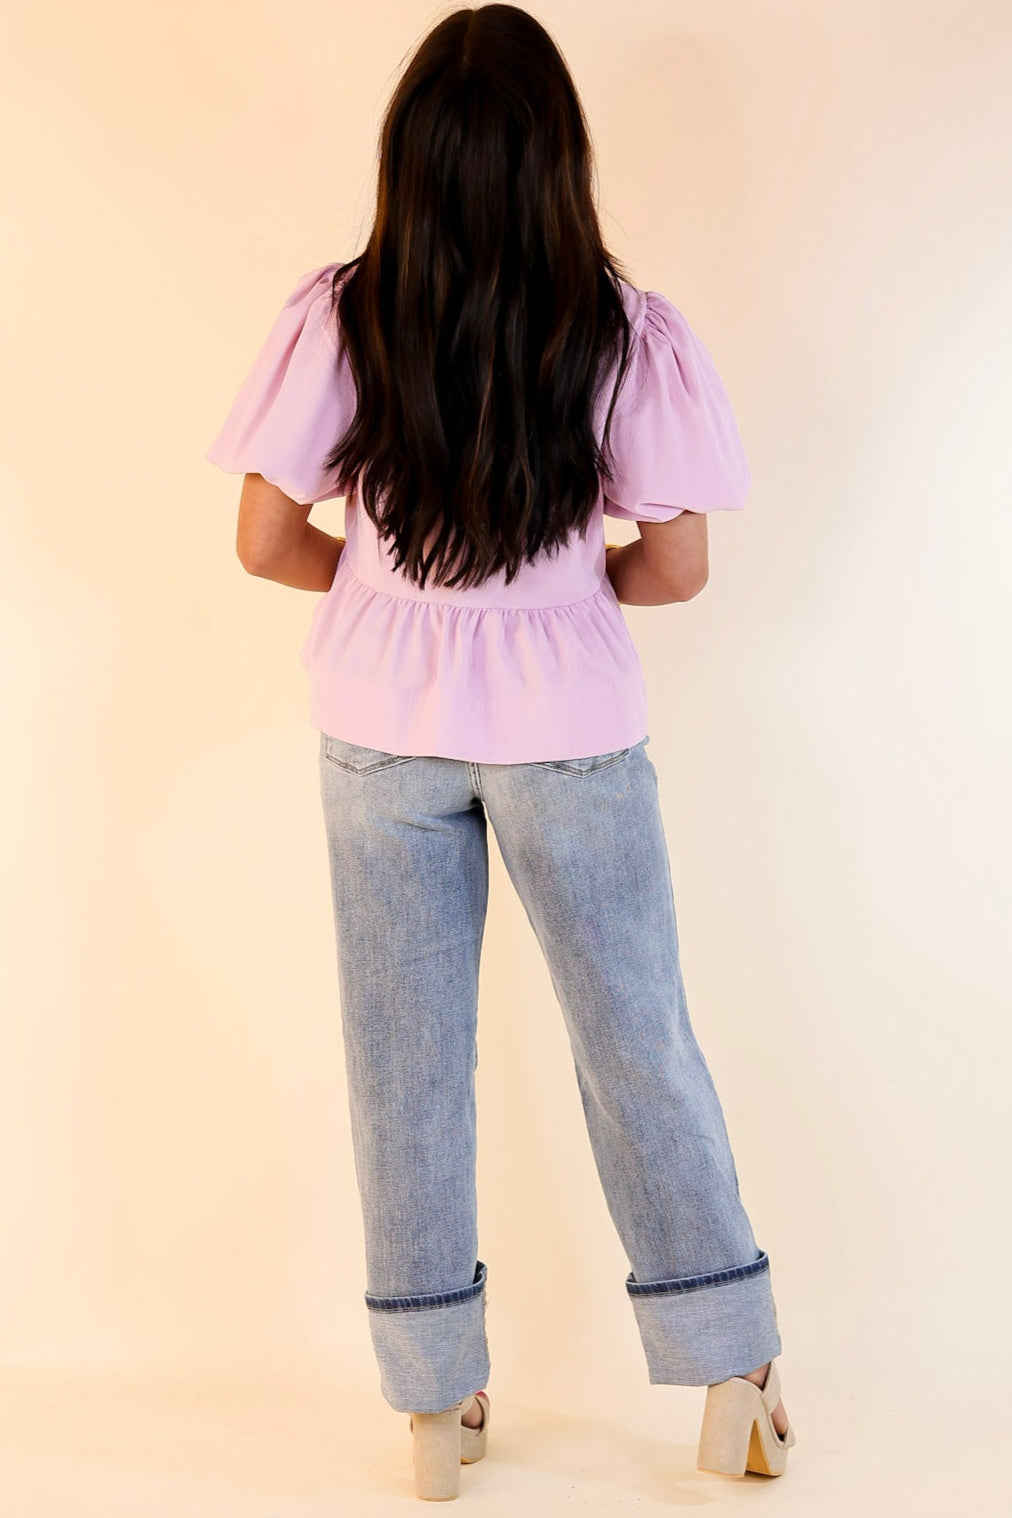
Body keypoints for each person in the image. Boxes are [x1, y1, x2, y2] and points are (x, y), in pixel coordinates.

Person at [206, 3, 795, 1501]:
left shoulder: (344, 317)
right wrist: (548, 597)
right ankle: (731, 1375)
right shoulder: (617, 334)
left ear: (409, 162)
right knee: (639, 1041)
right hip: (571, 736)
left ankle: (433, 1401)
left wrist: (395, 594)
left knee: (402, 1066)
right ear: (558, 167)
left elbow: (267, 536)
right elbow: (675, 570)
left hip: (378, 732)